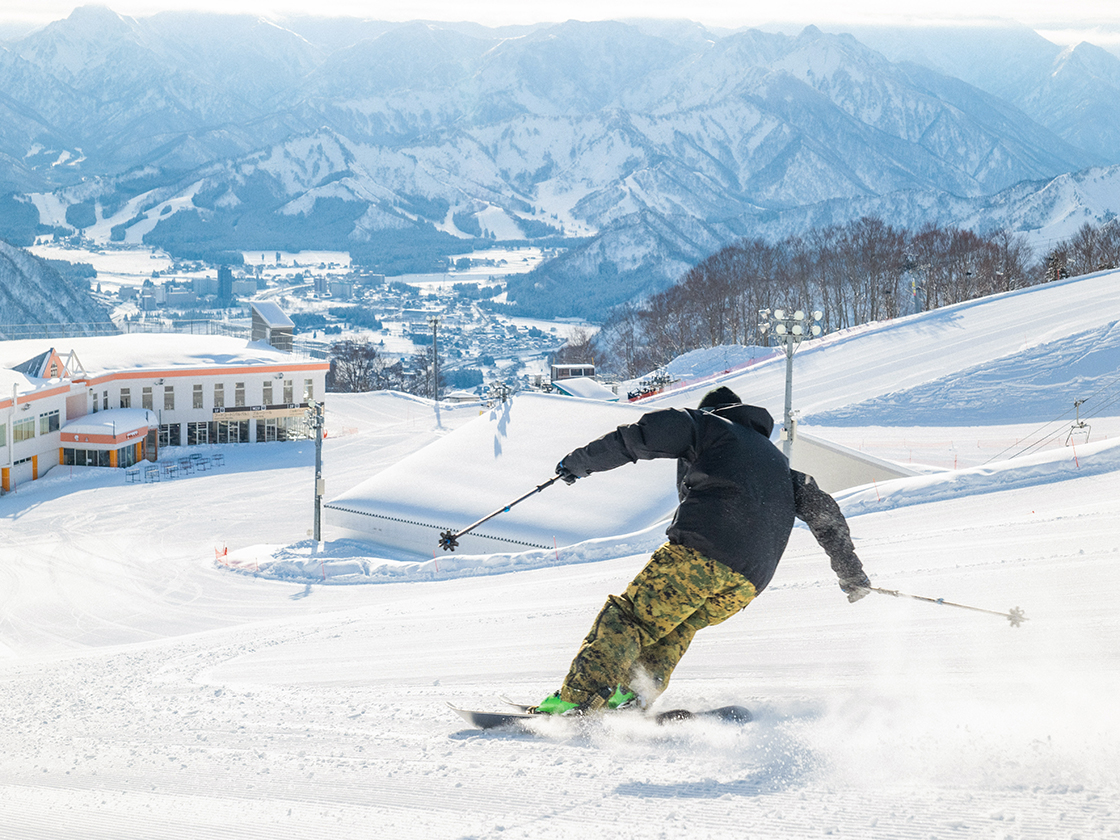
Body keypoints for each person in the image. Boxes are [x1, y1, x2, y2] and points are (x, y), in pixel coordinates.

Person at [532, 386, 871, 715]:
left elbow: (640, 437)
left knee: (629, 618)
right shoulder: (780, 466)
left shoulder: (710, 426)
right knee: (676, 625)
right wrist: (851, 575)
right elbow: (826, 515)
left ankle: (578, 699)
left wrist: (579, 463)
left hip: (702, 553)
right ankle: (631, 693)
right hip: (748, 582)